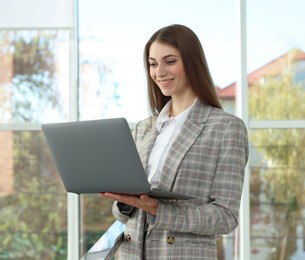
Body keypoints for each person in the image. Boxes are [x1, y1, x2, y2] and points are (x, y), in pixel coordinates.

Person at [100, 24, 249, 259]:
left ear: (191, 62)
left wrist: (160, 209)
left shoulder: (226, 128)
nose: (159, 72)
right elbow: (125, 215)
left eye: (170, 61)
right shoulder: (144, 128)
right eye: (153, 64)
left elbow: (226, 217)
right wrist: (125, 202)